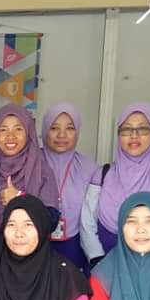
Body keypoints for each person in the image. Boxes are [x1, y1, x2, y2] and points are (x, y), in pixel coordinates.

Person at [80, 103, 150, 265]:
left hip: (148, 268)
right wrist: (97, 259)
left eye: (142, 129)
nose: (134, 136)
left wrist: (146, 268)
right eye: (126, 129)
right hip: (102, 265)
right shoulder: (102, 175)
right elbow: (87, 224)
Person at [41, 103, 98, 273]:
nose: (62, 135)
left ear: (78, 131)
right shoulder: (30, 163)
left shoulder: (92, 170)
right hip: (34, 246)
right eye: (54, 128)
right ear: (45, 130)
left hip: (76, 249)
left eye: (70, 128)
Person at [0, 103, 59, 234]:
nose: (10, 136)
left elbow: (51, 221)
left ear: (29, 133)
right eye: (3, 130)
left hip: (30, 245)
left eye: (18, 129)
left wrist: (20, 198)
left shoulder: (41, 170)